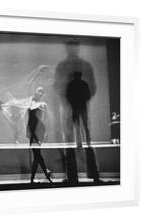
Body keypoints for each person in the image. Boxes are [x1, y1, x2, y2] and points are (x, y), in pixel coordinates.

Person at [54, 38, 97, 183]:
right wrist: (73, 101)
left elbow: (92, 89)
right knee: (71, 139)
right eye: (70, 47)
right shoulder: (62, 66)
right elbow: (58, 87)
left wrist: (76, 101)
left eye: (74, 47)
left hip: (75, 107)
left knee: (85, 137)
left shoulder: (84, 66)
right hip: (69, 107)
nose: (72, 49)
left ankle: (91, 174)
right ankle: (74, 176)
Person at [27, 87, 53, 184]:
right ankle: (46, 173)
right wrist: (33, 134)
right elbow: (31, 120)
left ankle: (33, 179)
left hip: (38, 131)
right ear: (35, 92)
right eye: (39, 91)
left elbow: (44, 119)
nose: (40, 93)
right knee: (37, 155)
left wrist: (44, 133)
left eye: (42, 91)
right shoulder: (31, 103)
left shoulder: (42, 105)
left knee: (37, 155)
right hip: (33, 132)